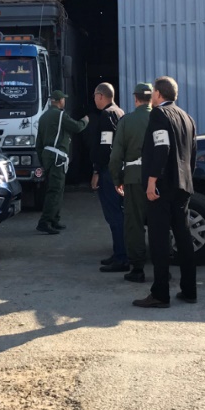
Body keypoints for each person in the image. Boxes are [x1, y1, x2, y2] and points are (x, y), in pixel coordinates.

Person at [133, 77, 198, 309]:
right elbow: (192, 155)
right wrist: (187, 181)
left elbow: (161, 148)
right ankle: (190, 290)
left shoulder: (159, 115)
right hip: (183, 186)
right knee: (183, 237)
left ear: (158, 94)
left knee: (159, 240)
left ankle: (160, 294)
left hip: (162, 188)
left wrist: (152, 181)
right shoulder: (187, 118)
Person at [109, 83, 154, 282]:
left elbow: (116, 156)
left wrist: (117, 179)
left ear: (136, 99)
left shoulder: (127, 121)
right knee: (160, 223)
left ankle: (138, 268)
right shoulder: (161, 118)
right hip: (159, 178)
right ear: (152, 98)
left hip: (134, 178)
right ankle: (164, 267)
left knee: (134, 223)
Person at [35, 90, 88, 234]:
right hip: (57, 157)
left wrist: (43, 159)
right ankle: (45, 222)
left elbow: (38, 143)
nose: (64, 101)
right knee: (55, 190)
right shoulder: (60, 115)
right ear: (59, 101)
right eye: (63, 99)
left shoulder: (43, 117)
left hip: (48, 156)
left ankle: (54, 220)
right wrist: (85, 121)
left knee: (56, 189)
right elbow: (76, 127)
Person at [90, 83, 126, 272]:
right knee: (118, 213)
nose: (94, 99)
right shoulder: (119, 112)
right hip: (118, 169)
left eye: (95, 96)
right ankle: (118, 252)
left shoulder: (106, 115)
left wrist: (97, 170)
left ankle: (122, 257)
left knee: (114, 214)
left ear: (101, 96)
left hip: (108, 172)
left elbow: (106, 147)